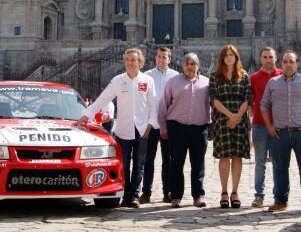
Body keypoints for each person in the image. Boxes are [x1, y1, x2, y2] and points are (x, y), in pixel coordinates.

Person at [81, 47, 157, 209]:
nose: (130, 63)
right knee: (124, 164)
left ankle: (135, 195)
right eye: (128, 60)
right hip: (123, 129)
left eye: (134, 60)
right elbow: (103, 99)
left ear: (140, 62)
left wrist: (151, 125)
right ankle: (126, 193)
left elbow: (153, 105)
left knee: (139, 164)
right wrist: (86, 115)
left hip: (142, 129)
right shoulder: (118, 80)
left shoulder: (147, 80)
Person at [260, 51, 301, 214]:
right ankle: (280, 201)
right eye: (285, 61)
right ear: (281, 64)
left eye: (291, 61)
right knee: (280, 168)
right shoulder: (273, 83)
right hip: (280, 133)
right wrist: (269, 127)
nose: (288, 64)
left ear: (297, 64)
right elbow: (264, 105)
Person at [158, 52, 210, 208]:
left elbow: (211, 106)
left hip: (200, 128)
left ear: (197, 66)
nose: (190, 66)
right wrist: (163, 128)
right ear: (183, 66)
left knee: (198, 163)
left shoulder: (207, 83)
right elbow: (163, 106)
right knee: (176, 163)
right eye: (187, 63)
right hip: (177, 128)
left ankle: (198, 195)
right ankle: (176, 196)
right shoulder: (173, 82)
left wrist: (211, 125)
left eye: (193, 63)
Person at [209, 45, 251, 209]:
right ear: (222, 58)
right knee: (224, 156)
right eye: (225, 55)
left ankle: (235, 192)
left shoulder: (244, 76)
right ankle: (224, 192)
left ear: (236, 57)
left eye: (231, 55)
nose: (228, 57)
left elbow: (247, 99)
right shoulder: (215, 77)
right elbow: (214, 99)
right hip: (222, 121)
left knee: (237, 156)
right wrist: (230, 115)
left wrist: (238, 116)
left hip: (240, 121)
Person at [140, 46, 179, 204]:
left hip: (168, 124)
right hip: (151, 123)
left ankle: (167, 191)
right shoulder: (146, 76)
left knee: (167, 160)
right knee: (148, 159)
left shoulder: (176, 77)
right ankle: (146, 192)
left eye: (164, 57)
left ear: (170, 59)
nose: (161, 59)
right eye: (159, 56)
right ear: (155, 58)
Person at [249, 46, 281, 208]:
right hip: (260, 125)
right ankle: (259, 195)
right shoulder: (253, 78)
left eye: (271, 57)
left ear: (275, 58)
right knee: (260, 162)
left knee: (278, 162)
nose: (268, 59)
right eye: (265, 57)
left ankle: (278, 196)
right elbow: (250, 99)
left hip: (279, 126)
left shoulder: (283, 75)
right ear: (261, 59)